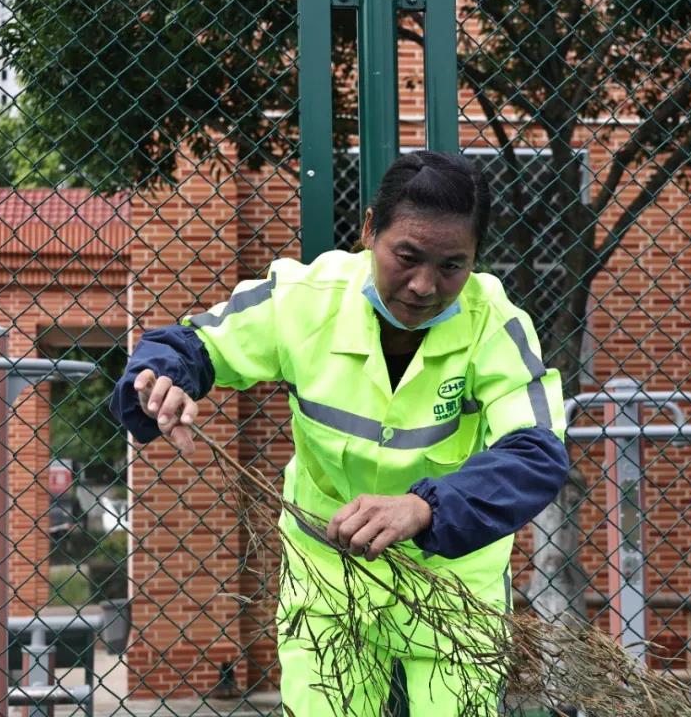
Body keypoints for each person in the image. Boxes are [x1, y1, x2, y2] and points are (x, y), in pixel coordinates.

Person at [109, 150, 568, 716]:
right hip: (327, 573)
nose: (425, 286)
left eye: (452, 265)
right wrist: (162, 381)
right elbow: (191, 344)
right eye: (407, 256)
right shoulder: (304, 298)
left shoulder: (496, 324)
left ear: (475, 259)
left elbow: (536, 453)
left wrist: (422, 509)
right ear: (370, 229)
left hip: (454, 583)